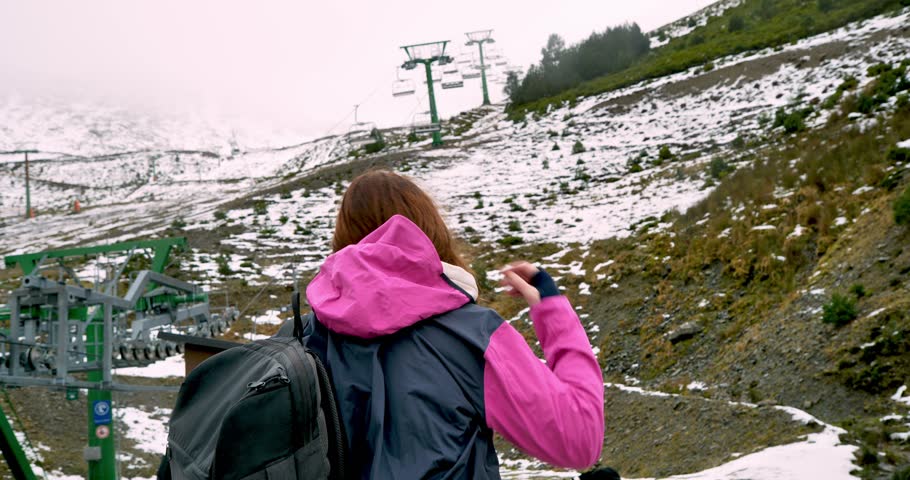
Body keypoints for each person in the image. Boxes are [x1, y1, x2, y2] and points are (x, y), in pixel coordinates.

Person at [300, 170, 604, 478]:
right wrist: (553, 311)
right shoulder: (471, 336)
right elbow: (579, 439)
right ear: (431, 233)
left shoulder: (306, 340)